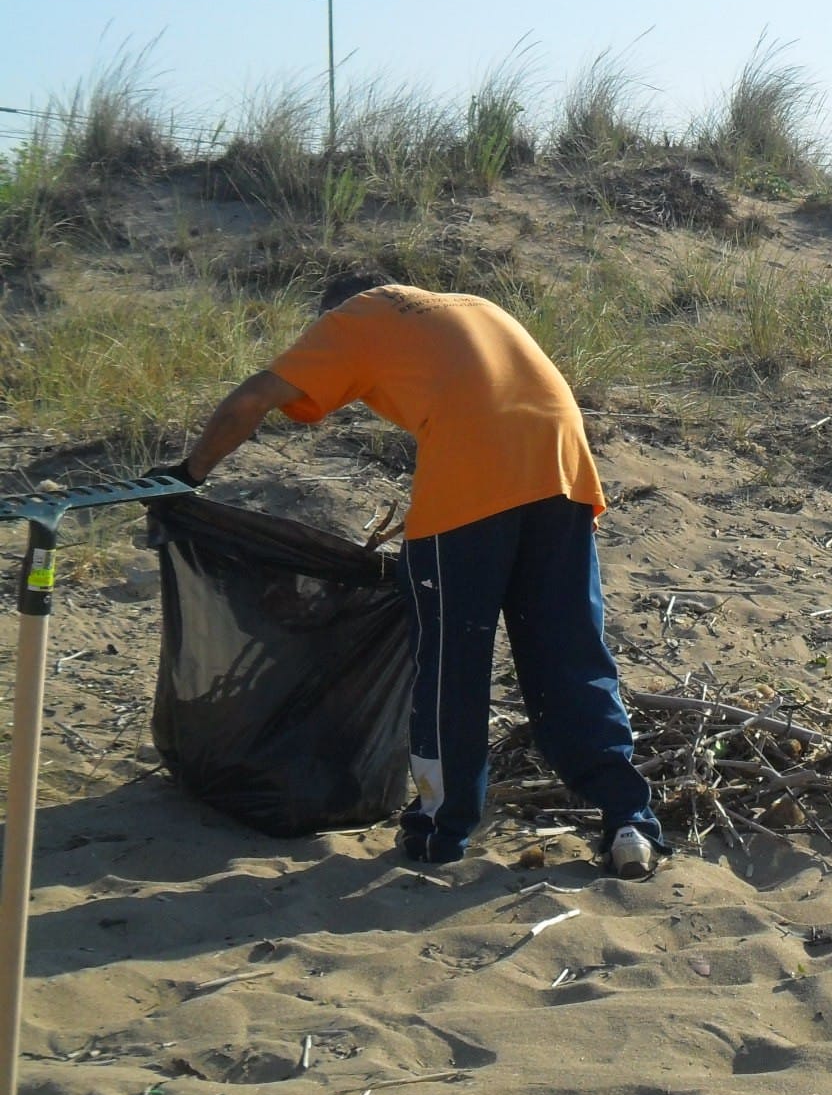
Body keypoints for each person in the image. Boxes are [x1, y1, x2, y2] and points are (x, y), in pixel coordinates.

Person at [164, 272, 666, 876]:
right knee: (570, 655)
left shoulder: (352, 320)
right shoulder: (463, 303)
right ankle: (629, 820)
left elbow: (253, 399)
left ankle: (439, 831)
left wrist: (188, 474)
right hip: (563, 462)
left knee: (450, 665)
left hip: (475, 471)